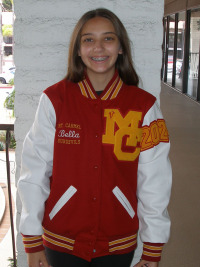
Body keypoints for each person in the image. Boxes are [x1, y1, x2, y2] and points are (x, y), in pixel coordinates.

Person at [18, 8, 172, 267]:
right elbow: (34, 172)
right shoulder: (55, 100)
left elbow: (155, 180)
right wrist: (32, 241)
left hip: (118, 242)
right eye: (88, 39)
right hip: (60, 240)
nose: (98, 47)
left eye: (108, 38)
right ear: (78, 49)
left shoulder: (144, 107)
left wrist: (152, 248)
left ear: (121, 47)